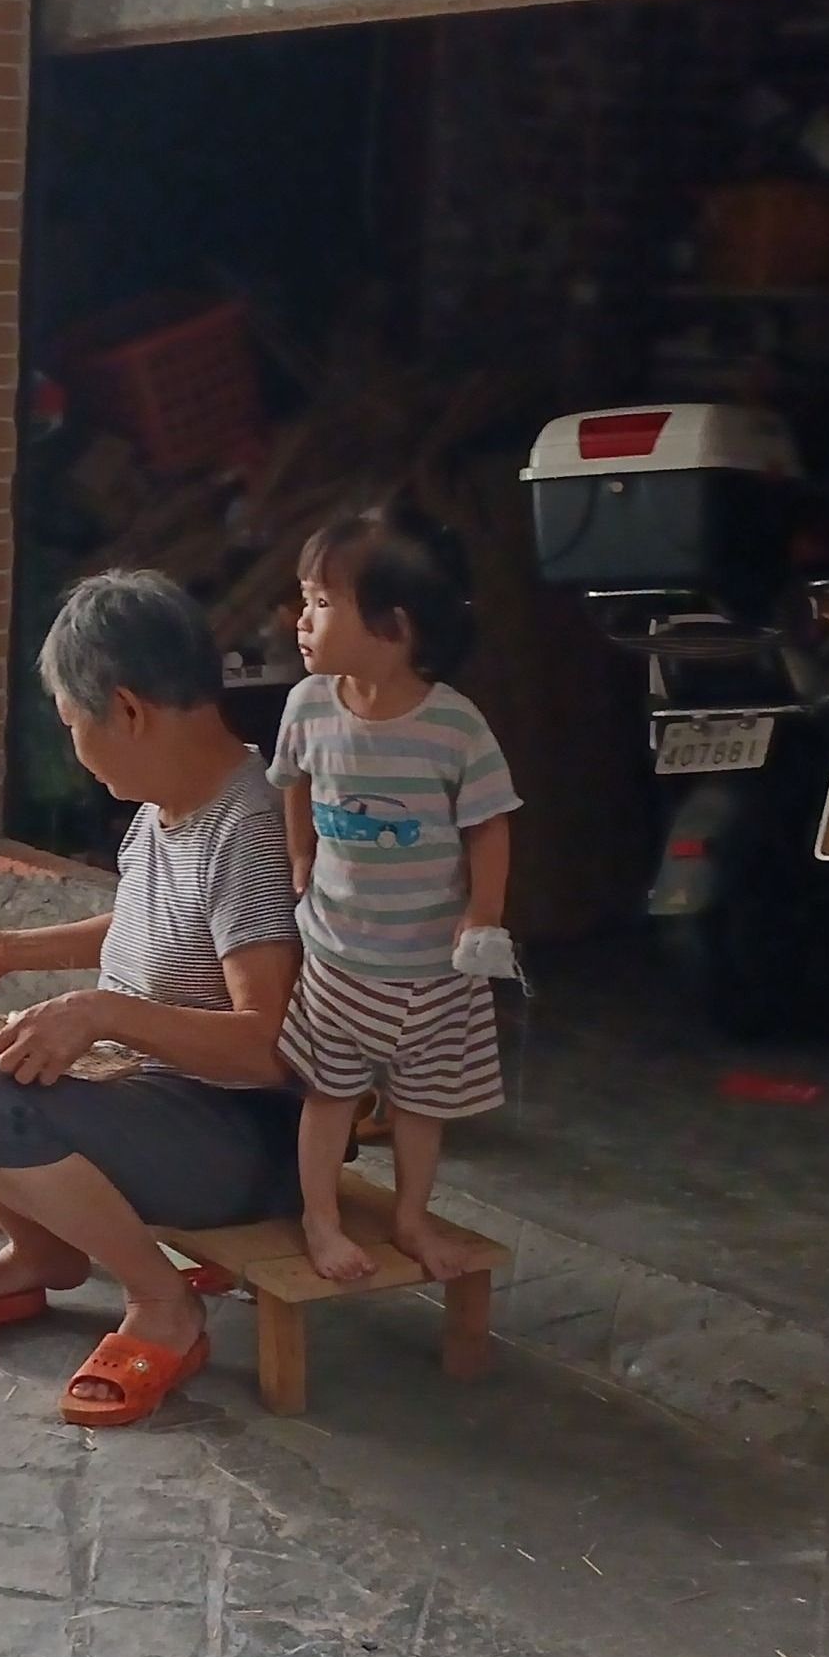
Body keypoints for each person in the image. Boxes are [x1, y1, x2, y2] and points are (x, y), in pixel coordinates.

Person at [0, 570, 303, 1429]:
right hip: (147, 1097)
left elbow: (263, 1046)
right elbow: (145, 920)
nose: (74, 750)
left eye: (71, 726)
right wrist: (15, 949)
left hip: (242, 1135)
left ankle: (163, 1305)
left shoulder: (247, 831)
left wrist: (102, 1013)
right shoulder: (166, 805)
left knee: (1, 1114)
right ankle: (39, 1255)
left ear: (126, 711)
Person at [270, 505, 521, 1287]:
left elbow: (489, 825)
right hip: (338, 959)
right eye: (305, 599)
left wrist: (483, 917)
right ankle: (320, 1219)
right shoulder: (308, 706)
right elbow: (292, 782)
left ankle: (411, 1218)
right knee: (327, 1095)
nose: (301, 620)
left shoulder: (455, 727)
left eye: (321, 602)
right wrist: (300, 855)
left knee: (422, 1106)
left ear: (394, 626)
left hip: (435, 969)